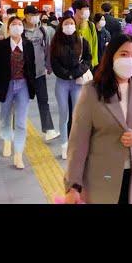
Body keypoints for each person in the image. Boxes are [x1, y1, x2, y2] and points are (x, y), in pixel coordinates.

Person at [64, 33, 132, 204]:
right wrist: (73, 185)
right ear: (111, 56)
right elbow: (78, 142)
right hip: (101, 179)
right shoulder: (92, 91)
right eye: (124, 54)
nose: (129, 60)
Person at [0, 16, 37, 169]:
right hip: (6, 85)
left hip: (23, 85)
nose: (17, 27)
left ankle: (18, 154)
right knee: (4, 117)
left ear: (22, 28)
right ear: (8, 28)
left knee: (21, 122)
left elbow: (32, 66)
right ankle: (6, 139)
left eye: (19, 24)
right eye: (13, 24)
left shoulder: (29, 45)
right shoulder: (1, 46)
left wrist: (34, 85)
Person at [50, 11, 92, 160]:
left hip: (77, 82)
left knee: (76, 115)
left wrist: (75, 73)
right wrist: (66, 74)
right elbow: (54, 63)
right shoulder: (56, 42)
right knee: (63, 114)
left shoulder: (81, 41)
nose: (69, 26)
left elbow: (88, 59)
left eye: (72, 23)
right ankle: (64, 145)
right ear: (61, 25)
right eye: (66, 23)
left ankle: (75, 144)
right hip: (61, 83)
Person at [23, 5, 59, 142]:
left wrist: (48, 66)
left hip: (39, 73)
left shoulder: (43, 31)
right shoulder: (21, 31)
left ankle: (49, 129)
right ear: (25, 16)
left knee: (43, 101)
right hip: (24, 75)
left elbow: (48, 50)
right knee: (21, 103)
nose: (35, 17)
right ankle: (17, 128)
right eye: (32, 14)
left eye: (36, 14)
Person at [72, 0, 99, 70]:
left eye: (88, 9)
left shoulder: (91, 25)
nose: (88, 11)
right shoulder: (70, 24)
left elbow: (95, 44)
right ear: (77, 10)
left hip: (87, 63)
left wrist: (93, 62)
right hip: (73, 63)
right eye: (86, 9)